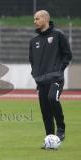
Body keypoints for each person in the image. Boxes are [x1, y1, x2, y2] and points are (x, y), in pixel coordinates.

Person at [29, 10, 72, 147]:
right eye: (34, 19)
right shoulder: (34, 41)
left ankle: (61, 129)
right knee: (45, 111)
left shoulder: (58, 35)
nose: (34, 21)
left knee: (52, 98)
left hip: (55, 78)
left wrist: (59, 70)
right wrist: (35, 74)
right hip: (41, 80)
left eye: (37, 19)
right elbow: (32, 60)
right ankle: (50, 140)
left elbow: (67, 55)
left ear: (45, 19)